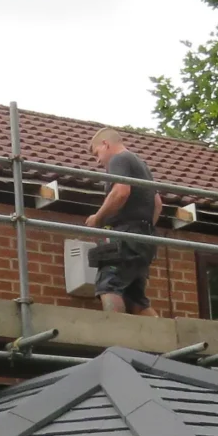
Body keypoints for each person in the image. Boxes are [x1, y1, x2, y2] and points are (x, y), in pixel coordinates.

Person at [82, 127, 159, 315]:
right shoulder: (141, 165)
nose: (98, 161)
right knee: (136, 300)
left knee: (108, 285)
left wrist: (97, 219)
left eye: (97, 153)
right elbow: (157, 204)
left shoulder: (119, 159)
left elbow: (121, 192)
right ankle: (161, 341)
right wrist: (143, 233)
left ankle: (115, 335)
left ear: (106, 144)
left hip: (127, 236)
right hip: (144, 239)